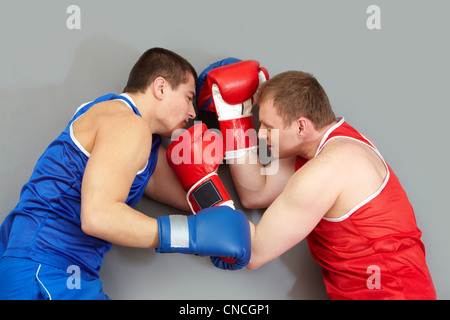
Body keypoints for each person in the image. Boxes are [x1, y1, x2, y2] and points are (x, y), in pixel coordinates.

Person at [0, 48, 251, 300]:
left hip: (55, 270)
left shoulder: (134, 135)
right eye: (188, 97)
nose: (192, 112)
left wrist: (233, 124)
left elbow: (200, 200)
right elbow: (98, 217)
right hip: (45, 268)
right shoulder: (127, 124)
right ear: (161, 88)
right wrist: (190, 235)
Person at [197, 60, 436, 300]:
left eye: (268, 126)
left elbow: (254, 252)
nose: (259, 134)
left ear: (301, 126)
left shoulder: (330, 166)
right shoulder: (320, 147)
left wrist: (199, 183)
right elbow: (255, 193)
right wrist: (233, 118)